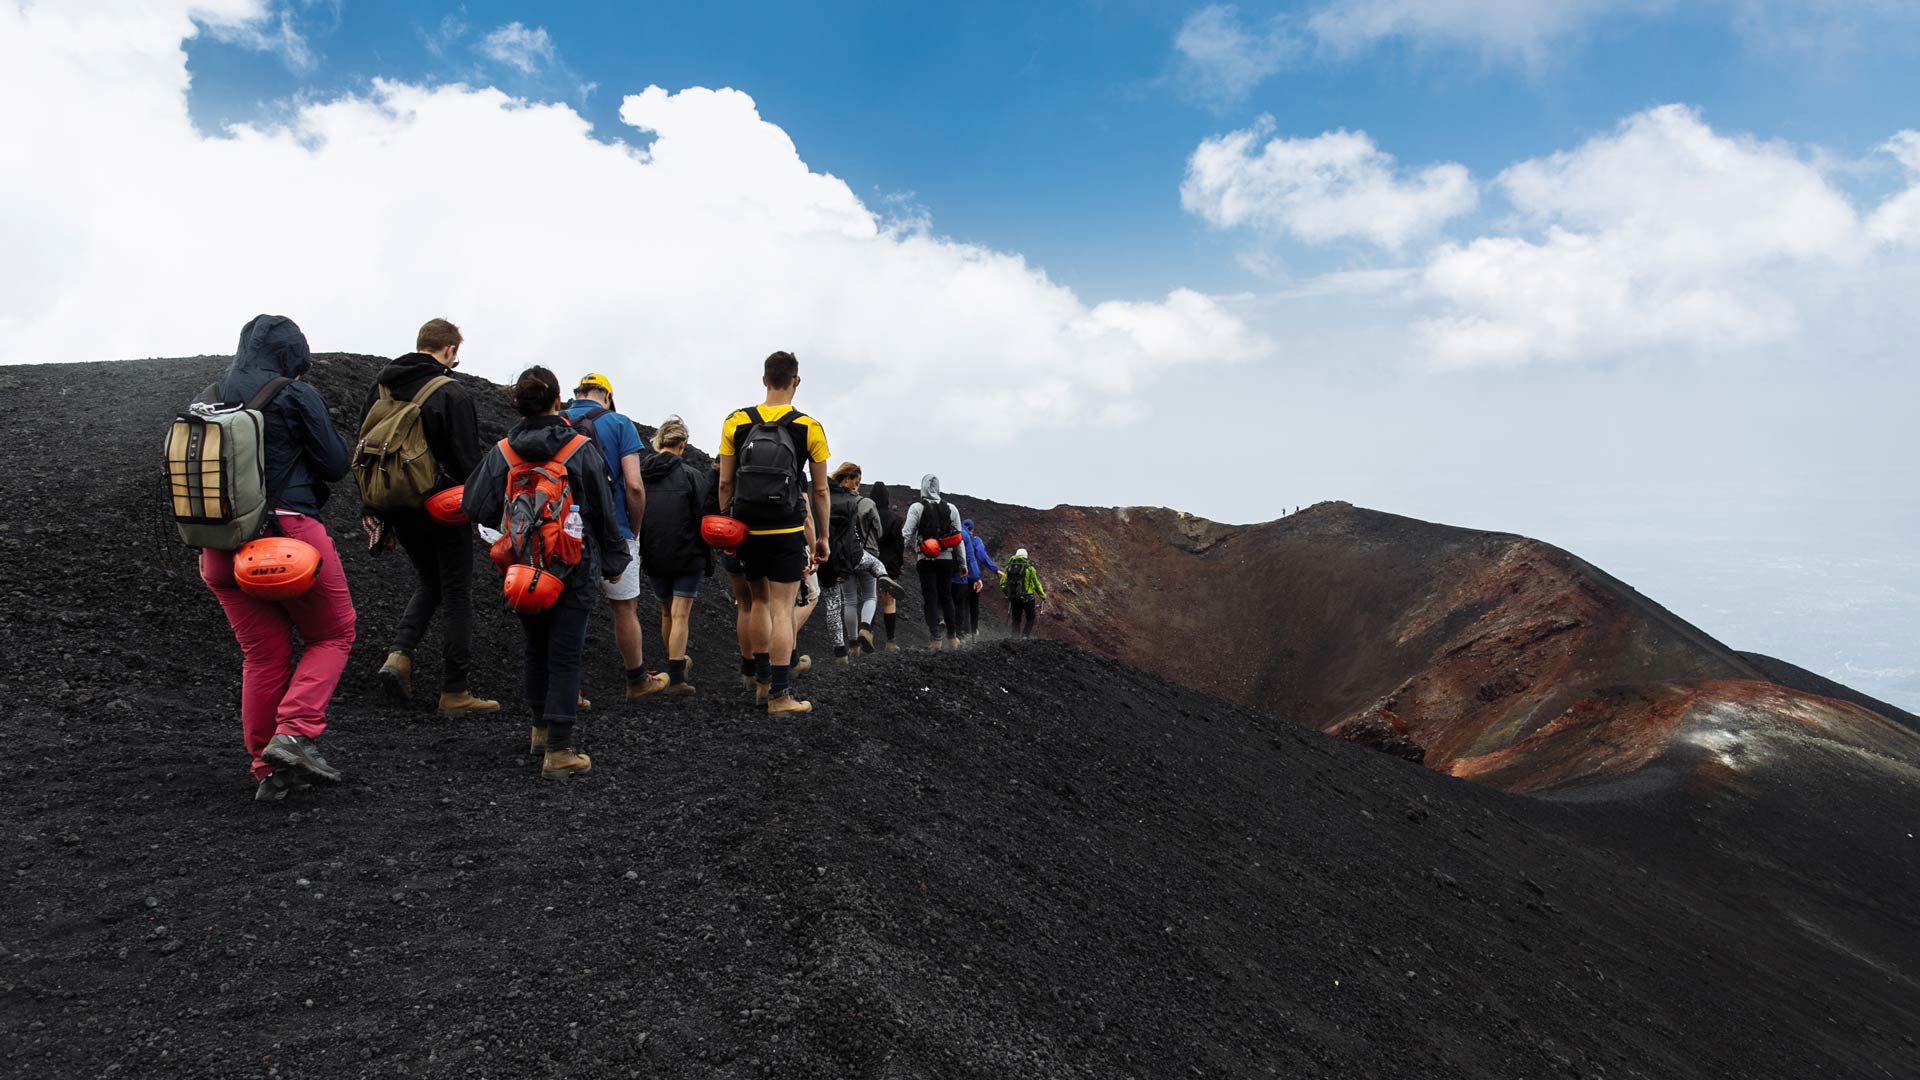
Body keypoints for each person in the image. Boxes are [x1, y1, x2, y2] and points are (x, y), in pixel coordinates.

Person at [198, 315, 356, 801]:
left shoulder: (209, 395)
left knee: (262, 656)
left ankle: (268, 771)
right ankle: (294, 734)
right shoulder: (294, 393)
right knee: (332, 633)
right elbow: (334, 465)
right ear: (293, 354)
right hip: (287, 541)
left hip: (218, 548)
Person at [463, 366, 630, 779]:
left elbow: (474, 504)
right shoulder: (579, 448)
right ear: (558, 401)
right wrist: (613, 560)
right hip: (574, 563)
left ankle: (539, 731)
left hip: (523, 565)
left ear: (518, 404)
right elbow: (603, 511)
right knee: (566, 653)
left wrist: (514, 522)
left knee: (535, 647)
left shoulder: (504, 451)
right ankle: (559, 750)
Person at [364, 318, 497, 719]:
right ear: (450, 350)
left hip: (396, 503)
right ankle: (455, 690)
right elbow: (467, 460)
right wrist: (487, 510)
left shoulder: (381, 386)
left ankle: (399, 655)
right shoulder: (449, 391)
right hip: (443, 506)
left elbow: (367, 448)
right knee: (455, 591)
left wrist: (375, 511)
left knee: (431, 580)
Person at [715, 351, 830, 714]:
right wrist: (822, 537)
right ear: (796, 381)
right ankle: (779, 695)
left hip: (748, 528)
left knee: (757, 603)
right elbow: (820, 490)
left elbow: (725, 482)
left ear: (764, 379)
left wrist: (727, 525)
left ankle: (760, 681)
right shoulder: (809, 427)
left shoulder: (736, 421)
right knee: (782, 608)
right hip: (787, 527)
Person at [563, 373, 669, 698]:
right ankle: (636, 680)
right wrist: (633, 530)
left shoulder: (558, 420)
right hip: (614, 530)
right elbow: (634, 486)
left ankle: (567, 691)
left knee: (567, 609)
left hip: (565, 529)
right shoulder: (620, 423)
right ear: (608, 397)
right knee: (624, 608)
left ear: (577, 393)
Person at [638, 416, 707, 694]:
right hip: (687, 553)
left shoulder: (640, 473)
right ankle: (677, 678)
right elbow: (702, 516)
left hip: (653, 553)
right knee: (680, 615)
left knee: (667, 612)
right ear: (683, 444)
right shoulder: (691, 475)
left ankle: (673, 665)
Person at [821, 462, 893, 663]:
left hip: (830, 558)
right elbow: (877, 531)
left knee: (848, 601)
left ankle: (849, 647)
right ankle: (865, 628)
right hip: (859, 553)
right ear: (847, 479)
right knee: (870, 595)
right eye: (857, 481)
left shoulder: (823, 498)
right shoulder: (861, 503)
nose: (857, 485)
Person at [900, 474, 966, 648]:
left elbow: (906, 534)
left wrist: (897, 557)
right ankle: (952, 638)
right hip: (946, 560)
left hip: (925, 560)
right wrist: (963, 564)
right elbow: (958, 539)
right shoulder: (952, 509)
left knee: (930, 597)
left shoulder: (917, 508)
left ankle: (935, 639)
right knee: (947, 597)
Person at [867, 482, 904, 650]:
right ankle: (890, 641)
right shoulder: (895, 519)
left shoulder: (868, 516)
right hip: (889, 566)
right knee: (889, 602)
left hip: (871, 563)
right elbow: (899, 545)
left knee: (870, 599)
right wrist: (899, 564)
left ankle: (868, 636)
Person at [959, 518, 999, 638]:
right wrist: (995, 569)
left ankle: (963, 631)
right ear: (972, 529)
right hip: (973, 577)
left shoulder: (957, 537)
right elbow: (982, 555)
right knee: (974, 605)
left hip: (959, 576)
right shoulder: (976, 540)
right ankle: (973, 631)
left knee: (963, 604)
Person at [1001, 547, 1046, 639]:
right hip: (1028, 598)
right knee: (1030, 617)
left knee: (1016, 619)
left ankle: (1015, 638)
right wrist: (1043, 595)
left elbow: (1002, 583)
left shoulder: (1009, 568)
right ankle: (1025, 636)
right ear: (1026, 557)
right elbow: (1036, 584)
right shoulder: (1030, 569)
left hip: (1014, 598)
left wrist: (1008, 594)